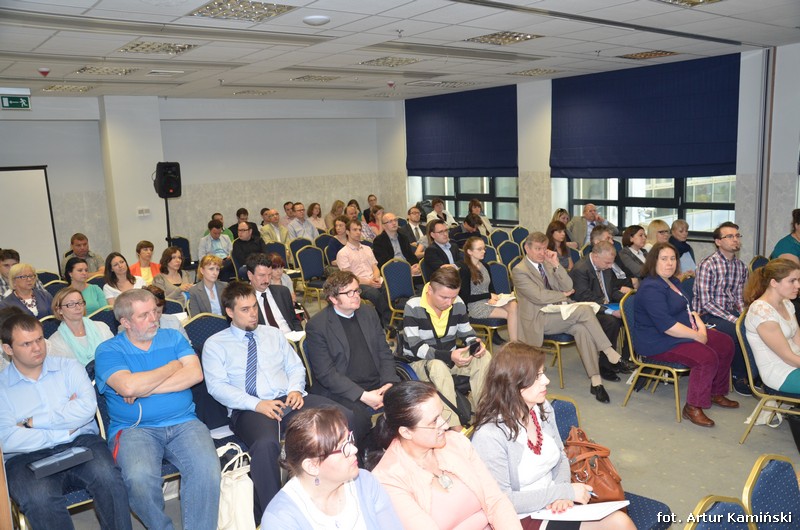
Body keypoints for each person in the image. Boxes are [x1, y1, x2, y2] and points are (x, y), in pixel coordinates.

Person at [202, 281, 352, 520]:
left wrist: (295, 389)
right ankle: (276, 516)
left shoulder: (272, 334)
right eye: (245, 309)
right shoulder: (215, 344)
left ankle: (337, 488)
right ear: (229, 312)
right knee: (265, 445)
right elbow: (217, 387)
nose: (253, 313)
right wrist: (257, 404)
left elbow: (295, 367)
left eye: (254, 306)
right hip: (249, 408)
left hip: (289, 399)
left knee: (344, 417)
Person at [472, 342, 635, 530]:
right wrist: (562, 492)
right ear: (513, 383)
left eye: (543, 373)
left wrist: (561, 494)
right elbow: (504, 500)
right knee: (619, 523)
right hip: (520, 518)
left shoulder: (541, 407)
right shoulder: (490, 435)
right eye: (537, 376)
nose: (546, 381)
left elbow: (561, 457)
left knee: (620, 522)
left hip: (553, 504)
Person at [95, 289, 220, 530]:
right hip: (134, 429)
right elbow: (127, 386)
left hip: (184, 422)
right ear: (125, 322)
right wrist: (172, 366)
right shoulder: (108, 349)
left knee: (207, 471)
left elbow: (195, 374)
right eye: (144, 315)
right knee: (138, 480)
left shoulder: (173, 337)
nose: (154, 319)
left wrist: (143, 389)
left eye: (154, 311)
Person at [0, 314, 132, 530]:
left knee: (109, 480)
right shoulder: (2, 387)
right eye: (26, 344)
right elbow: (7, 438)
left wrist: (31, 423)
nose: (37, 348)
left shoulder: (69, 367)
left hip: (80, 441)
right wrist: (64, 428)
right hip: (25, 456)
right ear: (8, 349)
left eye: (39, 339)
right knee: (40, 498)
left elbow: (87, 408)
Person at [371, 381, 522, 529]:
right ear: (406, 432)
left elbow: (496, 501)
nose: (445, 424)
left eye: (441, 414)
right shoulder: (388, 479)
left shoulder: (455, 442)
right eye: (434, 421)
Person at [633, 242, 738, 427]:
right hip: (658, 341)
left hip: (681, 332)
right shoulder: (651, 288)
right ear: (653, 261)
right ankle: (693, 407)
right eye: (664, 259)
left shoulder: (672, 281)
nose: (669, 263)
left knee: (724, 343)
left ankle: (715, 392)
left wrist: (700, 327)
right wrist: (697, 335)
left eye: (673, 258)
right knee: (705, 357)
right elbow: (667, 326)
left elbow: (689, 310)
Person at [512, 232, 624, 403]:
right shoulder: (520, 270)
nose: (542, 253)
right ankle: (609, 352)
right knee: (584, 310)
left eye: (544, 248)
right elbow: (538, 296)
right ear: (527, 248)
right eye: (538, 249)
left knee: (582, 329)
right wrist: (562, 295)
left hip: (558, 313)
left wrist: (556, 264)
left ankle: (596, 382)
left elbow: (568, 285)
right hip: (539, 318)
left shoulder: (548, 264)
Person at [262, 407, 402, 529]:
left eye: (349, 439)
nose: (354, 449)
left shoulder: (365, 482)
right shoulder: (281, 520)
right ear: (312, 466)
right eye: (343, 447)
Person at [305, 271, 400, 448]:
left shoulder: (368, 312)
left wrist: (388, 383)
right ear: (333, 299)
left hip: (377, 382)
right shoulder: (317, 326)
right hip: (343, 390)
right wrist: (363, 395)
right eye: (349, 293)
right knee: (357, 418)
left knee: (411, 400)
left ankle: (397, 451)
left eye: (357, 290)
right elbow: (326, 374)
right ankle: (364, 456)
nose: (356, 296)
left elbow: (384, 351)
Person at [401, 267, 491, 429]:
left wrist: (475, 344)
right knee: (438, 366)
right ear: (430, 290)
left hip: (450, 359)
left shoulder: (458, 303)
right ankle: (455, 426)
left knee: (484, 357)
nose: (449, 302)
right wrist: (449, 356)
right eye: (444, 297)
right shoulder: (413, 306)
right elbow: (417, 348)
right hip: (419, 363)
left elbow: (467, 333)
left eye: (453, 297)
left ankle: (482, 413)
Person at [693, 221, 750, 395]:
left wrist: (744, 315)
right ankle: (739, 376)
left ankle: (753, 373)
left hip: (727, 313)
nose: (735, 239)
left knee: (753, 326)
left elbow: (739, 297)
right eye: (730, 236)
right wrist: (735, 319)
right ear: (718, 241)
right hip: (705, 316)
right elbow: (706, 303)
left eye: (737, 236)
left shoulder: (741, 266)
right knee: (738, 331)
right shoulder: (708, 264)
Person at [569, 241, 636, 379]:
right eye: (607, 262)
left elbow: (611, 291)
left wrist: (627, 300)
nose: (610, 266)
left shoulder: (605, 266)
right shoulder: (580, 269)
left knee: (632, 312)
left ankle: (624, 359)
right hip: (587, 310)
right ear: (595, 256)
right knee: (611, 322)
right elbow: (584, 298)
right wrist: (608, 309)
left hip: (604, 304)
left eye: (611, 262)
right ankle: (605, 366)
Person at [744, 258, 800, 394]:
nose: (798, 285)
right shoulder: (762, 312)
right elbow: (787, 357)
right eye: (792, 281)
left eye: (798, 280)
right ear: (774, 282)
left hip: (794, 360)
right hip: (780, 372)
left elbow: (797, 338)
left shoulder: (786, 302)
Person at [460, 236, 519, 342]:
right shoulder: (465, 269)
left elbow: (491, 288)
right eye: (479, 249)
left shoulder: (485, 266)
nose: (483, 251)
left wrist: (494, 297)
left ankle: (515, 343)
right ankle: (514, 343)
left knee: (513, 305)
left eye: (484, 248)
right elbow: (465, 297)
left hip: (488, 301)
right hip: (476, 306)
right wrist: (488, 295)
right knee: (511, 315)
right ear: (469, 252)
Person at [336, 219, 392, 329]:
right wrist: (369, 282)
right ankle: (389, 321)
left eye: (360, 230)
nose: (358, 232)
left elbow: (375, 267)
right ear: (347, 232)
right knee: (374, 294)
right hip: (357, 284)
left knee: (389, 289)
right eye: (354, 230)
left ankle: (381, 321)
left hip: (373, 279)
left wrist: (376, 277)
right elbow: (349, 277)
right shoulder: (343, 253)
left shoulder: (367, 249)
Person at [48, 286, 113, 366]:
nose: (78, 307)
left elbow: (115, 355)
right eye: (71, 304)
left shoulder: (102, 327)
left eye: (80, 302)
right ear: (59, 310)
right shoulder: (55, 342)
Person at [246, 253, 303, 333]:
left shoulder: (283, 292)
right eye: (262, 275)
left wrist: (299, 334)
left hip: (291, 336)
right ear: (250, 275)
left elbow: (294, 320)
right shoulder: (243, 300)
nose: (267, 280)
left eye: (269, 275)